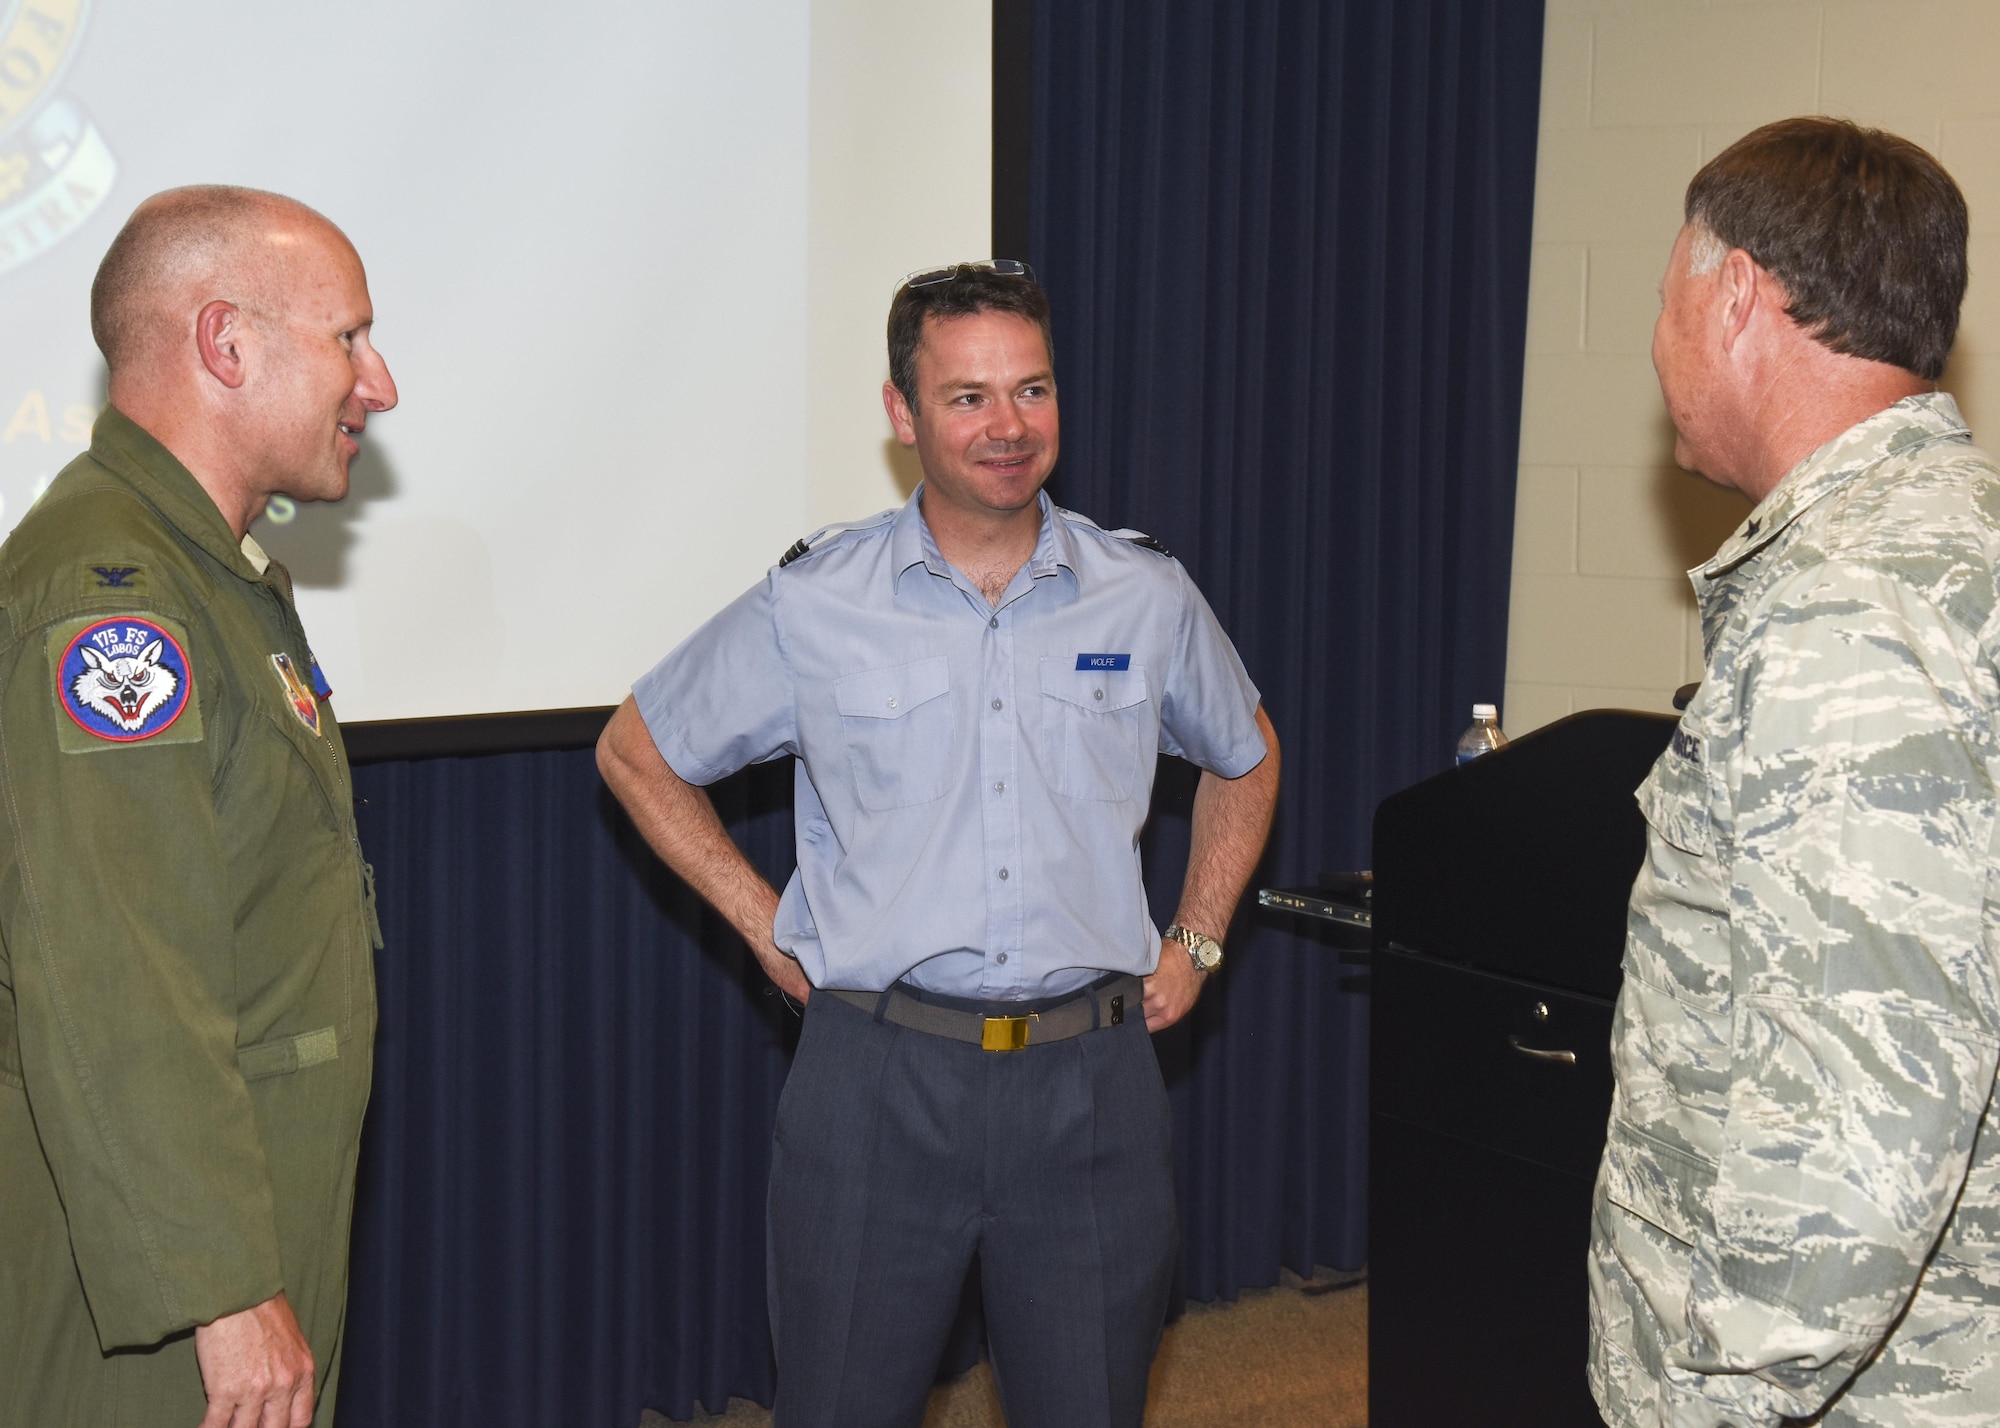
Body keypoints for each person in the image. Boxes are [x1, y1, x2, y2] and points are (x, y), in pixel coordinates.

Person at [599, 261, 1279, 1426]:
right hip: (876, 1084)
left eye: (1031, 389)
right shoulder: (820, 599)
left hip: (1091, 1087)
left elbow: (1245, 752)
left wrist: (1199, 936)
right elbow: (636, 750)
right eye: (966, 397)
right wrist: (770, 926)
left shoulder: (1143, 592)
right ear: (900, 413)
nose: (1006, 427)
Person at [1590, 118, 2000, 1425]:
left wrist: (1707, 1405)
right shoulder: (1955, 545)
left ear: (1736, 297)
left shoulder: (1851, 610)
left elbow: (1857, 1127)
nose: (1658, 352)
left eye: (1664, 303)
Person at [0, 187, 396, 1428]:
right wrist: (221, 1291)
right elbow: (116, 975)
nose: (378, 385)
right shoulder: (111, 596)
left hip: (241, 1210)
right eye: (348, 339)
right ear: (226, 344)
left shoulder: (199, 572)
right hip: (160, 1288)